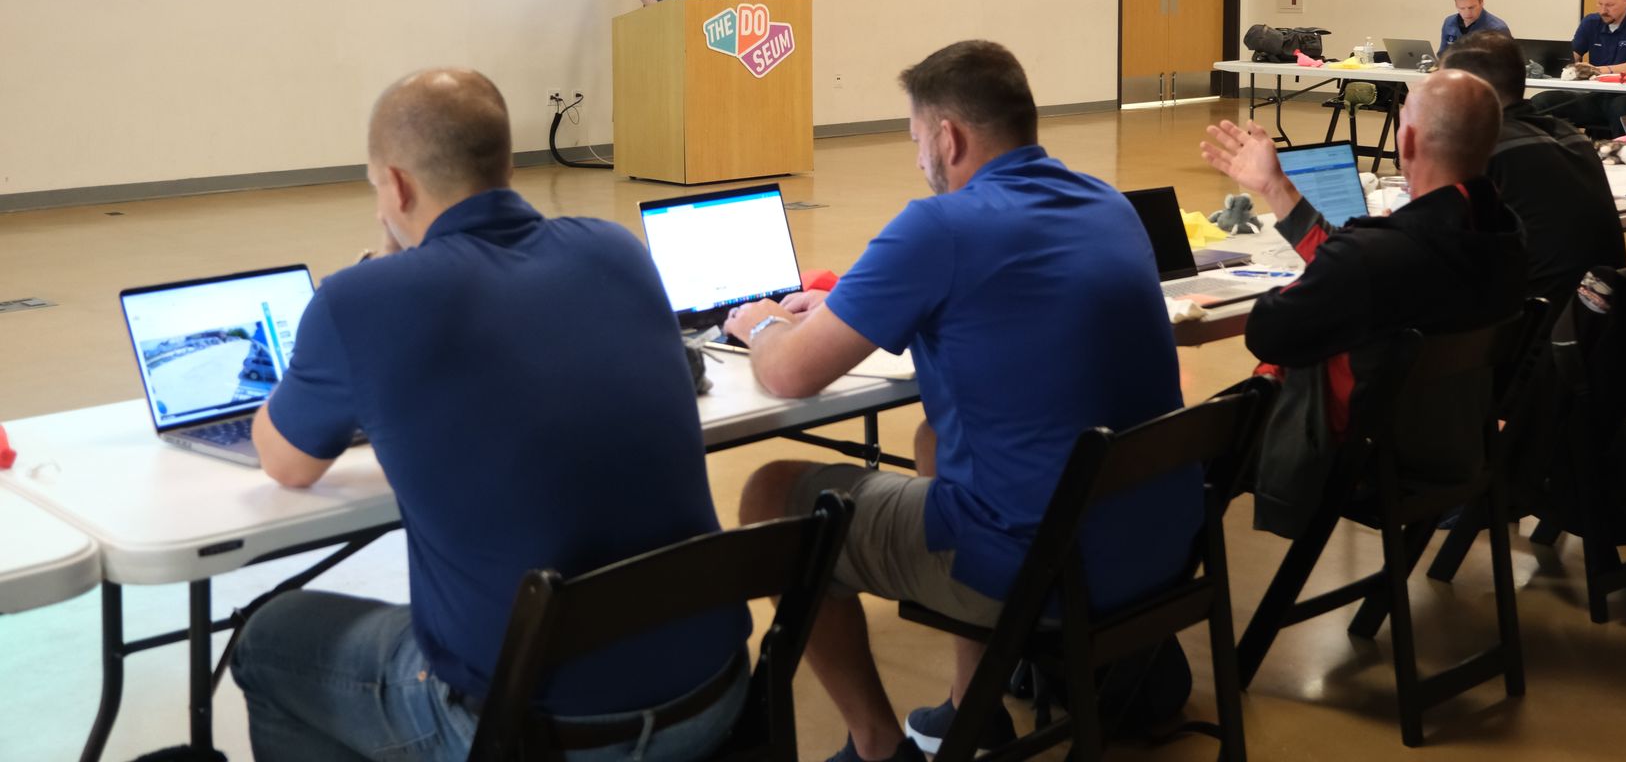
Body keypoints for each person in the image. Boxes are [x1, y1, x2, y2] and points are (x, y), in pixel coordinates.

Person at [233, 69, 749, 761]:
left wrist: (383, 270)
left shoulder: (362, 301)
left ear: (396, 186)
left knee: (273, 638)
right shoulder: (616, 248)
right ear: (507, 163)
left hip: (539, 732)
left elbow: (284, 461)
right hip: (715, 692)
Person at [726, 41, 1194, 762]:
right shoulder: (1108, 202)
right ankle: (969, 709)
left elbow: (789, 374)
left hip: (1046, 562)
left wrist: (758, 321)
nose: (918, 158)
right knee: (934, 441)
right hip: (1160, 539)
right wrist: (855, 298)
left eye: (917, 139)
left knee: (771, 494)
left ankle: (878, 744)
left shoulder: (936, 227)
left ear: (948, 136)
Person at [1199, 70, 1526, 432]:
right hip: (1454, 454)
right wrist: (1276, 188)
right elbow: (1360, 268)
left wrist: (1354, 248)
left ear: (1409, 140)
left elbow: (1268, 333)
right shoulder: (1506, 236)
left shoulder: (1373, 255)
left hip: (1347, 466)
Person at [1440, 30, 1623, 314]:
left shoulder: (1484, 145)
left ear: (1469, 90)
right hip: (1598, 321)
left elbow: (1443, 243)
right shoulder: (1571, 135)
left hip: (1536, 329)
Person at [1530, 0, 1626, 136]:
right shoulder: (1591, 22)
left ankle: (1623, 154)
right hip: (1596, 95)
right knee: (1542, 102)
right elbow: (1572, 56)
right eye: (1600, 4)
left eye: (1610, 5)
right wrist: (1547, 63)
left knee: (1622, 105)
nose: (1603, 10)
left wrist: (1597, 71)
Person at [1439, 0, 1511, 52]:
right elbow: (1442, 56)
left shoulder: (1498, 29)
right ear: (1456, 4)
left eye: (1471, 7)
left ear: (1481, 0)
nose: (1467, 13)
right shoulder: (1449, 23)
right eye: (1462, 8)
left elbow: (1507, 62)